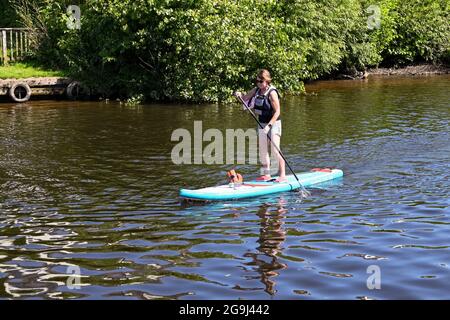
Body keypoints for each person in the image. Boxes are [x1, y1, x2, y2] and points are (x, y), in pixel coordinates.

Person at [234, 69, 286, 182]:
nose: (258, 83)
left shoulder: (272, 93)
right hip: (261, 123)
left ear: (267, 81)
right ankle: (266, 174)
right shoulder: (256, 90)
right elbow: (244, 99)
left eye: (261, 81)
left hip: (274, 124)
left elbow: (277, 112)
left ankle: (282, 175)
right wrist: (238, 96)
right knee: (263, 150)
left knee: (275, 150)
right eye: (257, 81)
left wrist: (269, 126)